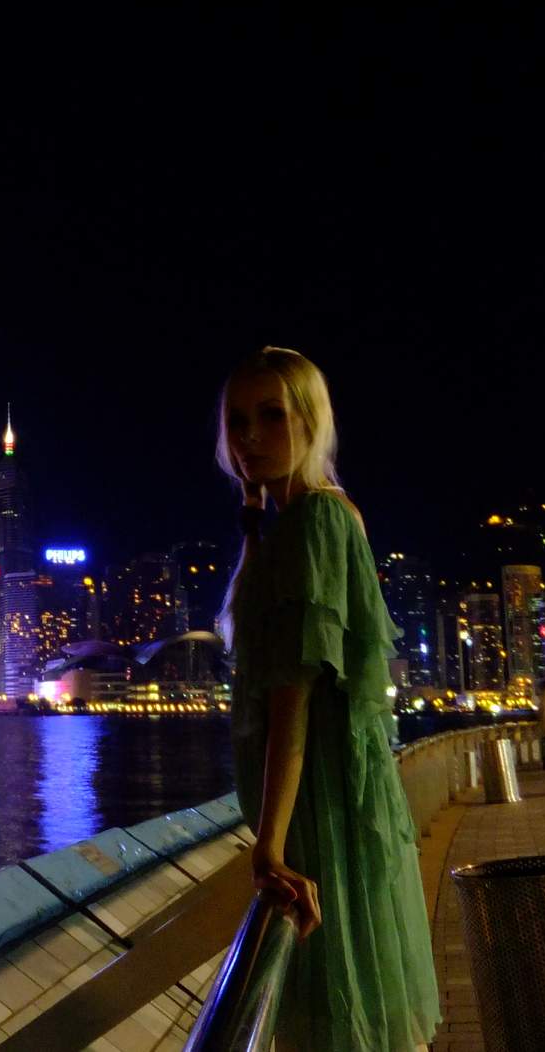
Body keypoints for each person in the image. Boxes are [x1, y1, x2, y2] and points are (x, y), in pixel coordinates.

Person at [218, 347, 440, 1051]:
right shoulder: (298, 523)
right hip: (331, 796)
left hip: (320, 804)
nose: (249, 437)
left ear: (310, 421)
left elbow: (294, 700)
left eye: (271, 416)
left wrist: (269, 845)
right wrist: (252, 517)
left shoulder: (316, 520)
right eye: (237, 421)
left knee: (333, 1004)